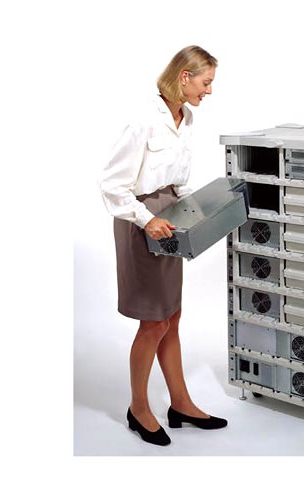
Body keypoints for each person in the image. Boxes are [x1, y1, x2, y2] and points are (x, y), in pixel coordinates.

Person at [99, 46, 227, 447]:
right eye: (206, 82)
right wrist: (147, 219)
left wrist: (198, 212)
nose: (209, 91)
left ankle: (181, 403)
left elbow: (178, 180)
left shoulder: (186, 117)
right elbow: (112, 185)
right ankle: (138, 408)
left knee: (171, 316)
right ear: (184, 76)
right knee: (153, 322)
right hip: (142, 221)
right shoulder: (144, 120)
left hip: (170, 215)